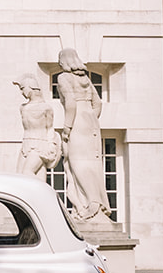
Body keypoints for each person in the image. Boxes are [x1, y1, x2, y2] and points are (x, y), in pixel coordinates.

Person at [56, 48, 108, 221]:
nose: (59, 63)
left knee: (77, 162)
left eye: (60, 60)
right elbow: (98, 103)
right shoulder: (85, 78)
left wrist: (67, 128)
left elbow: (70, 103)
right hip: (91, 121)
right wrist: (91, 117)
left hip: (77, 121)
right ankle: (93, 202)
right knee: (91, 163)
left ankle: (92, 202)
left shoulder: (64, 78)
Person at [14, 73, 62, 178]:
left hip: (40, 143)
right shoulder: (22, 107)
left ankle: (40, 189)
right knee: (19, 175)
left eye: (22, 88)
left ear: (31, 87)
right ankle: (41, 188)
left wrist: (51, 145)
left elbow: (49, 128)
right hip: (26, 143)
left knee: (27, 173)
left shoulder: (46, 108)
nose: (21, 92)